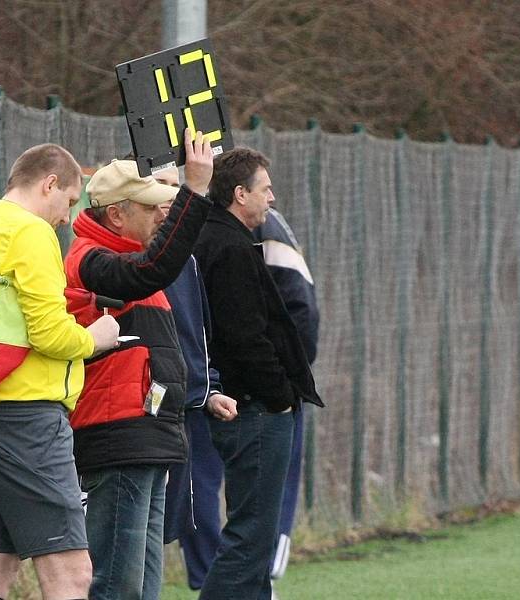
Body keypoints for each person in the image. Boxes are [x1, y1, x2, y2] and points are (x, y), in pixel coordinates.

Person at [0, 143, 119, 600]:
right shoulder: (31, 232)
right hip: (25, 420)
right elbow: (48, 333)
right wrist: (95, 338)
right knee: (71, 573)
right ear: (48, 184)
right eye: (67, 202)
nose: (66, 217)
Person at [63, 130, 213, 600]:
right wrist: (195, 192)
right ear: (116, 214)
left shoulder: (132, 262)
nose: (161, 214)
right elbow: (155, 267)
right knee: (119, 581)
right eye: (151, 208)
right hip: (118, 436)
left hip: (146, 435)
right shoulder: (93, 261)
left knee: (144, 582)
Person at [193, 147, 324, 600]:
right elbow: (244, 337)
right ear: (240, 193)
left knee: (253, 540)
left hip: (244, 404)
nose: (272, 199)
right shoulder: (228, 247)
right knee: (250, 541)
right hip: (255, 410)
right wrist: (281, 393)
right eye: (265, 189)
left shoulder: (218, 238)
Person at [154, 167, 237, 591]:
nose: (173, 196)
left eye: (178, 187)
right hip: (137, 415)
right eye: (164, 186)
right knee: (132, 530)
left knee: (184, 511)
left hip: (184, 408)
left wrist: (209, 389)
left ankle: (209, 585)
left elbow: (195, 331)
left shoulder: (184, 258)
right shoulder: (121, 259)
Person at [253, 206, 320, 581]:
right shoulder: (265, 222)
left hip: (213, 381)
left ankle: (251, 575)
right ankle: (255, 575)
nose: (271, 196)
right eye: (264, 188)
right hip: (254, 385)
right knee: (272, 479)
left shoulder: (264, 222)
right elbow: (303, 308)